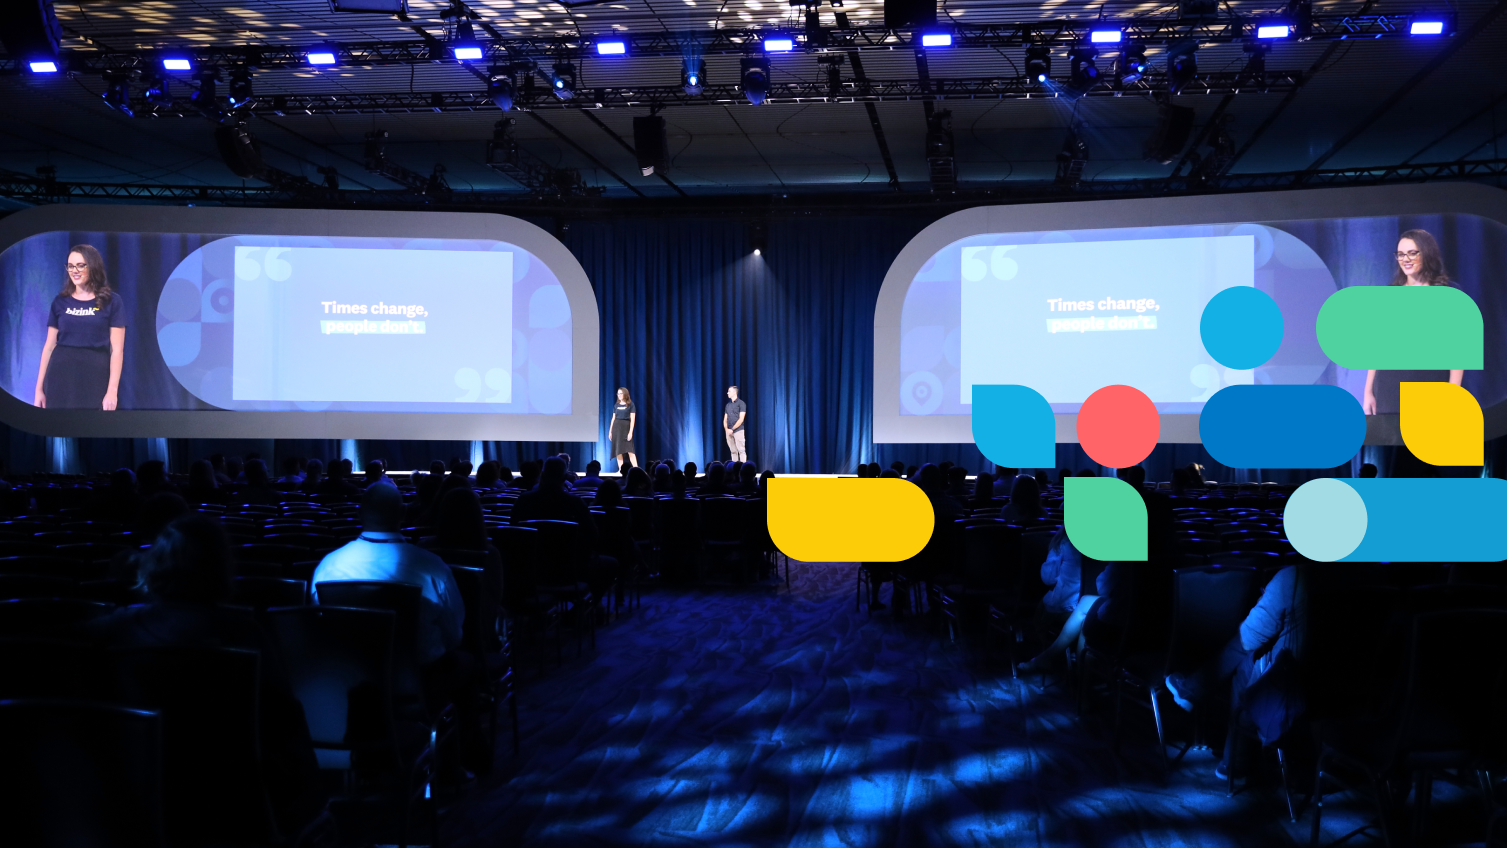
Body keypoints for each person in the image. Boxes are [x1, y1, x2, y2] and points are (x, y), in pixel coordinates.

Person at [80, 514, 327, 837]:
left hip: (134, 799)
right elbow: (284, 721)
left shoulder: (116, 629)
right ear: (219, 568)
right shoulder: (244, 633)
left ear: (157, 565)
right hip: (232, 802)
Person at [1165, 565, 1303, 781]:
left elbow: (1250, 636)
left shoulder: (1293, 577)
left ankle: (1236, 763)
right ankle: (1191, 689)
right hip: (1350, 693)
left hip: (1291, 692)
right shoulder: (1369, 574)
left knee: (1246, 659)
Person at [312, 485, 464, 668]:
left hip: (346, 679)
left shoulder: (328, 566)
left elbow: (316, 625)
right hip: (421, 680)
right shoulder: (433, 568)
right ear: (403, 513)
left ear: (359, 513)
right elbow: (454, 635)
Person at [1363, 229, 1466, 416]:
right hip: (1390, 389)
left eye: (1412, 253)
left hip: (1431, 385)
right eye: (1401, 254)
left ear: (1427, 253)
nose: (1406, 259)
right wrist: (1368, 392)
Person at [34, 244, 127, 410]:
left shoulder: (113, 301)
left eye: (80, 265)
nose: (74, 270)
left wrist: (112, 391)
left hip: (96, 379)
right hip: (60, 379)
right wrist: (39, 389)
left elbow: (117, 351)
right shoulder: (60, 302)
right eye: (70, 266)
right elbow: (49, 347)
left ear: (93, 266)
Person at [610, 387, 638, 472]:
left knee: (630, 450)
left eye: (621, 393)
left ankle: (636, 469)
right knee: (618, 450)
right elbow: (613, 418)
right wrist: (610, 431)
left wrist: (630, 432)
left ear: (625, 394)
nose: (619, 395)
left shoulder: (630, 405)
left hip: (626, 428)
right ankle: (621, 470)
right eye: (618, 394)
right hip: (617, 428)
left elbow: (632, 419)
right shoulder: (616, 405)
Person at [724, 385, 748, 463]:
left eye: (729, 391)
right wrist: (727, 429)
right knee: (733, 451)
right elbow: (725, 419)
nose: (727, 393)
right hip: (729, 431)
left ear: (734, 392)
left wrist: (733, 429)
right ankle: (734, 469)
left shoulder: (741, 403)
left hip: (738, 430)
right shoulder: (728, 405)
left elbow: (741, 419)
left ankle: (743, 469)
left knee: (741, 450)